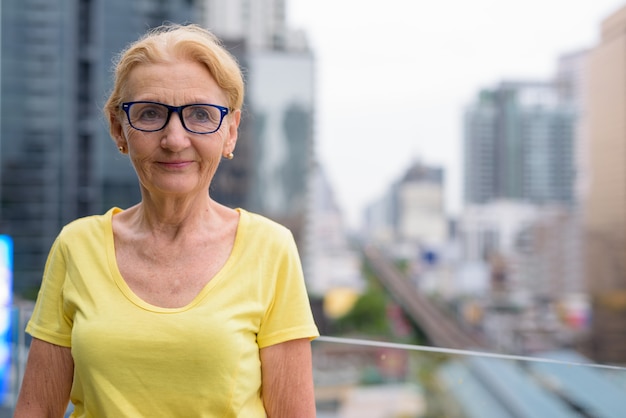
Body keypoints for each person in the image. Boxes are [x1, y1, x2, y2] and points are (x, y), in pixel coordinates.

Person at [14, 23, 319, 417]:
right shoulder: (76, 246)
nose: (175, 139)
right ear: (117, 128)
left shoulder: (270, 248)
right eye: (150, 113)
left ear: (230, 132)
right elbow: (37, 409)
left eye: (200, 114)